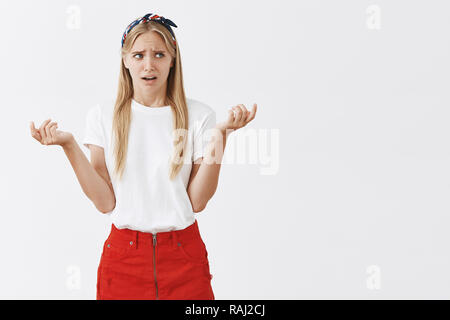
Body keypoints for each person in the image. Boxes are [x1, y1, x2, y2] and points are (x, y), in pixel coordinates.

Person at [29, 12, 257, 300]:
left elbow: (198, 201)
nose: (149, 65)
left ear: (172, 59)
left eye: (159, 54)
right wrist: (69, 145)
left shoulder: (199, 115)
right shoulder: (102, 116)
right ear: (125, 60)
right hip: (123, 259)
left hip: (183, 255)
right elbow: (104, 202)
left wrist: (220, 136)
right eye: (138, 55)